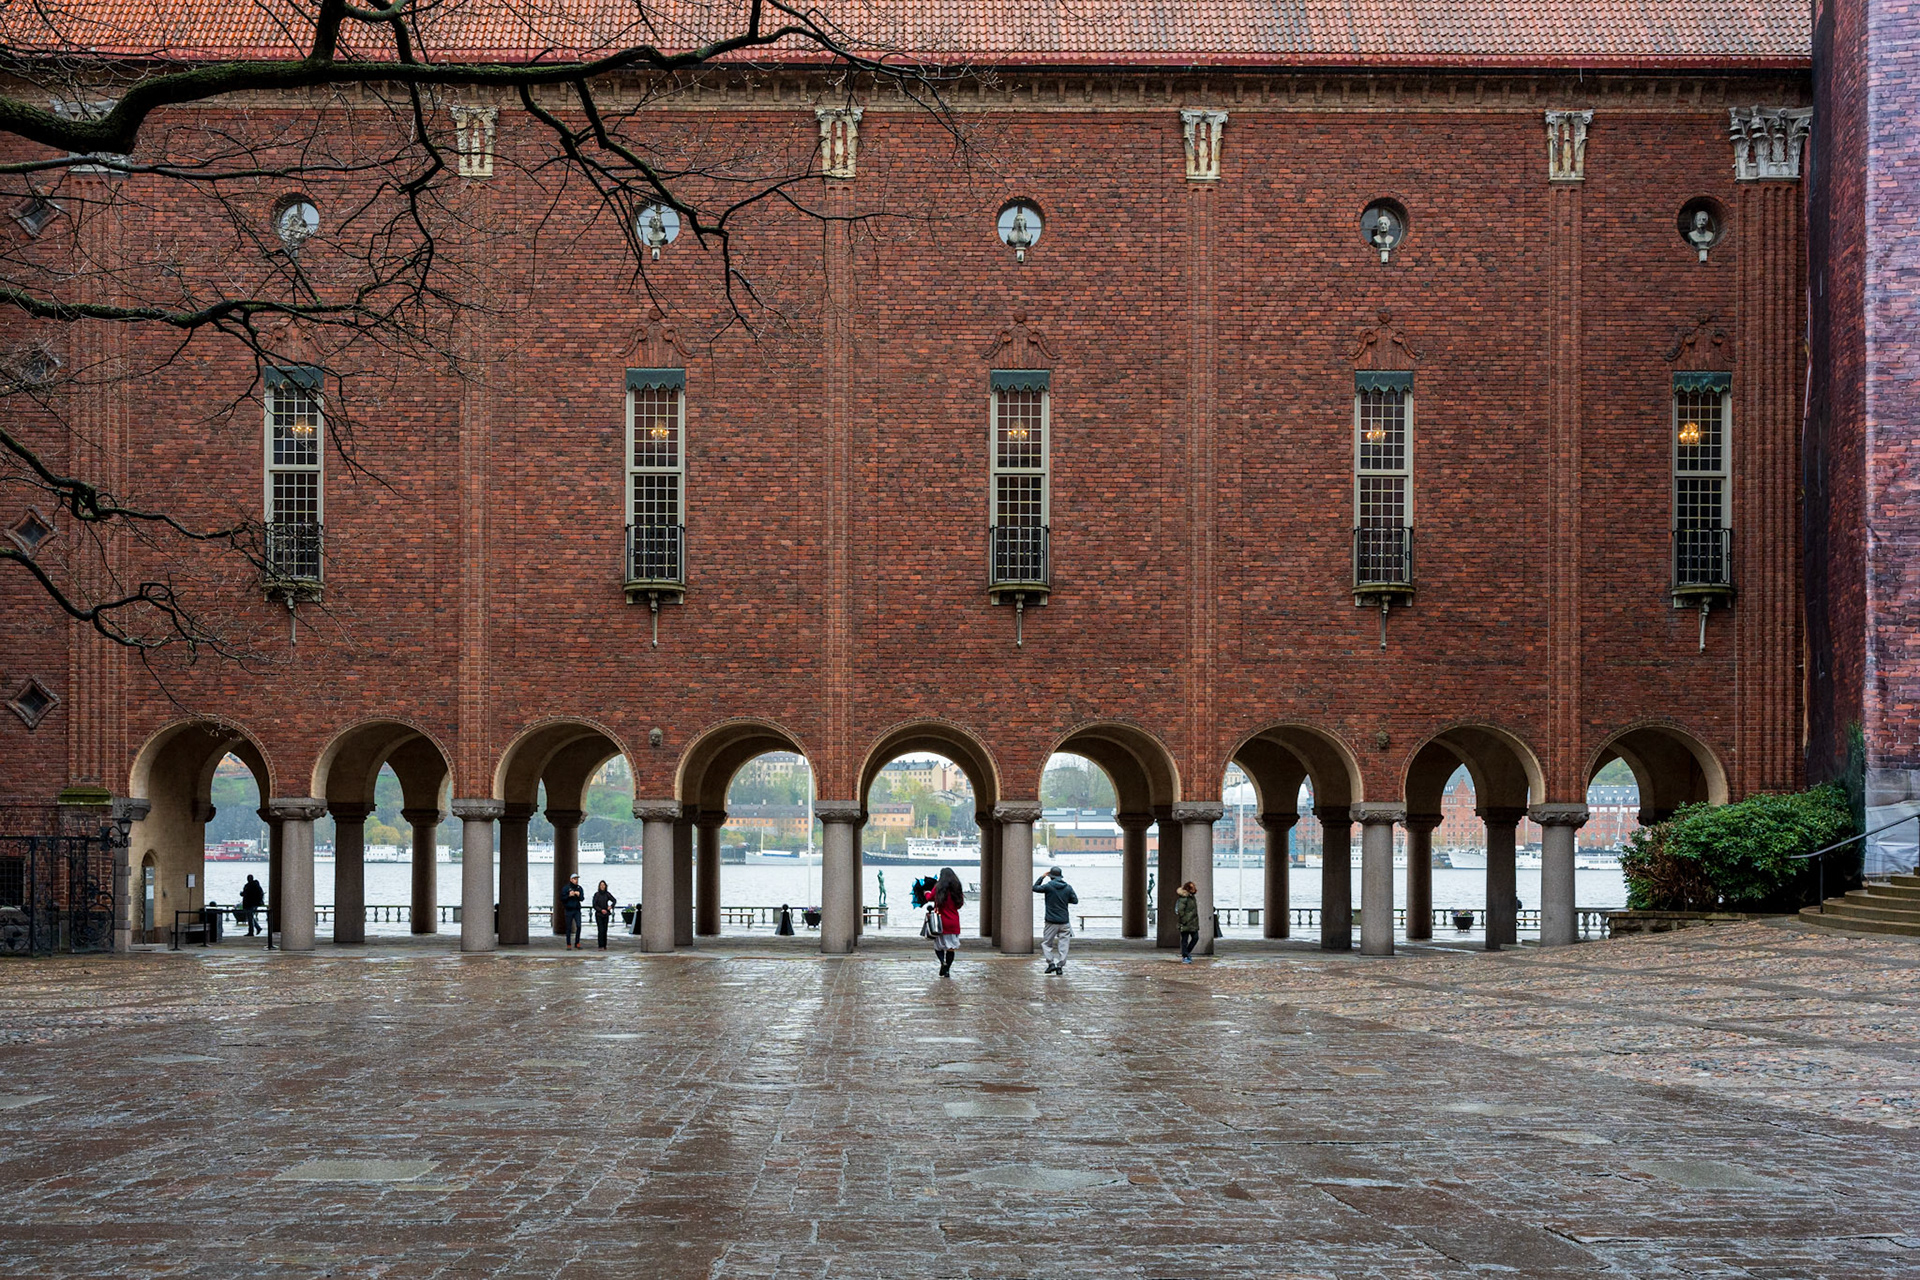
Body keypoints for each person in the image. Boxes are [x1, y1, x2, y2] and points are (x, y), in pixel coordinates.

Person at [1033, 866, 1078, 974]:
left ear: (1051, 876)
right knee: (1064, 945)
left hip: (1051, 921)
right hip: (1064, 921)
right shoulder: (1068, 887)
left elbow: (1034, 888)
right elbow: (1075, 901)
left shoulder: (1048, 887)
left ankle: (1051, 964)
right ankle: (1060, 967)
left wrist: (1042, 877)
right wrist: (1064, 900)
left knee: (1047, 944)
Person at [931, 866, 964, 977]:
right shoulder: (957, 888)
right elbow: (960, 904)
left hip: (940, 921)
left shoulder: (938, 887)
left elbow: (929, 897)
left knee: (938, 946)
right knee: (951, 948)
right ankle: (947, 969)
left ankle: (942, 962)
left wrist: (926, 892)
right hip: (953, 921)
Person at [1174, 880, 1201, 963]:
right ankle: (1185, 956)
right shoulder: (1184, 898)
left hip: (1193, 922)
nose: (1195, 889)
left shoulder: (1192, 898)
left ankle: (1186, 953)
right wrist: (1184, 920)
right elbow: (1180, 910)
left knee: (1195, 938)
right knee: (1184, 940)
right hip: (1186, 923)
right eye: (1193, 888)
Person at [561, 873, 586, 949]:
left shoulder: (579, 888)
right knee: (568, 927)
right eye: (574, 879)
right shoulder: (566, 888)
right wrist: (569, 895)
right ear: (571, 879)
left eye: (577, 879)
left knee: (578, 926)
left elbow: (582, 898)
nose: (576, 880)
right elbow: (562, 898)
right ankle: (568, 944)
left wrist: (579, 895)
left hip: (577, 910)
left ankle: (577, 943)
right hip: (569, 910)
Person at [591, 880, 618, 950]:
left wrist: (611, 906)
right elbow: (594, 905)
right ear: (599, 886)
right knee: (600, 930)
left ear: (605, 886)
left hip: (606, 914)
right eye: (601, 885)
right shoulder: (596, 894)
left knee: (605, 930)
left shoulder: (607, 894)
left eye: (603, 885)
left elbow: (614, 900)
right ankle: (600, 945)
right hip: (599, 914)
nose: (602, 886)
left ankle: (604, 945)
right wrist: (600, 910)